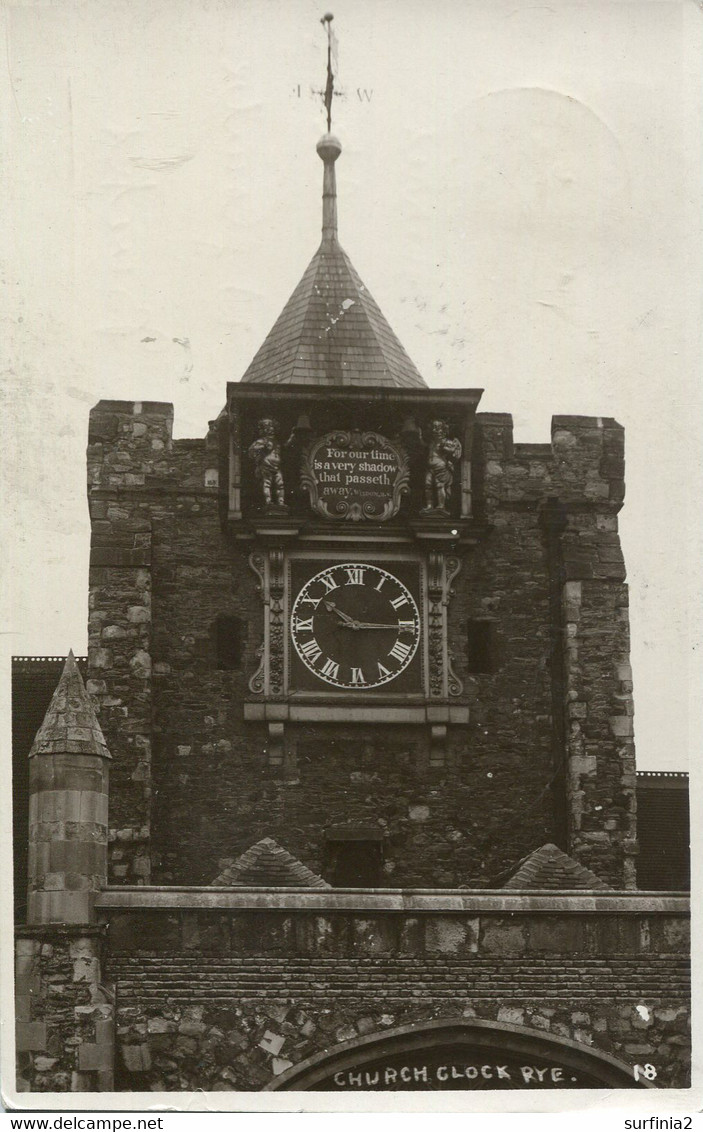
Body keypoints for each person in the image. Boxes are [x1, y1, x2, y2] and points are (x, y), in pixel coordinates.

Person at [423, 419, 462, 511]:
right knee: (427, 485)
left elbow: (452, 451)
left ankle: (441, 505)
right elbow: (425, 446)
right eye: (434, 428)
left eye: (438, 428)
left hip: (440, 467)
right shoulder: (432, 442)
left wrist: (444, 447)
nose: (435, 430)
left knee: (439, 485)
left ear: (444, 430)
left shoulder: (445, 441)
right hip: (430, 468)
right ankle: (429, 505)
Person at [247, 418, 286, 507]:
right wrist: (263, 447)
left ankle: (281, 502)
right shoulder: (262, 441)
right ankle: (268, 502)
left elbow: (284, 447)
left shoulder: (276, 442)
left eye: (272, 427)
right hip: (267, 465)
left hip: (277, 467)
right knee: (267, 484)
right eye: (268, 428)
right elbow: (251, 450)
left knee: (280, 484)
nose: (271, 430)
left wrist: (292, 438)